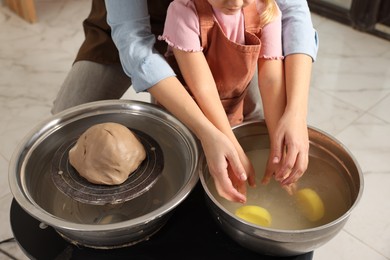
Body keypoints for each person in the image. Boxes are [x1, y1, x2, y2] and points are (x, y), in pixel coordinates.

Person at [52, 0, 318, 203]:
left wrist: (294, 114)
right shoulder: (185, 12)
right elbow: (135, 45)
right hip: (137, 27)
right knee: (64, 125)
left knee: (252, 121)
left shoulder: (257, 9)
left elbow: (291, 18)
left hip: (219, 26)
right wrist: (210, 131)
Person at [158, 0, 289, 196]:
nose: (236, 2)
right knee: (178, 174)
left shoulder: (266, 10)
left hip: (230, 108)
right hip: (183, 113)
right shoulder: (184, 12)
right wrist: (234, 148)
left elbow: (271, 81)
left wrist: (278, 150)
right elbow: (204, 89)